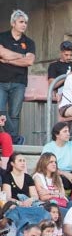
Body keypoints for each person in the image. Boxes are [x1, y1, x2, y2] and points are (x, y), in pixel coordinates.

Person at [0, 10, 36, 140]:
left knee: (14, 114)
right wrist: (22, 56)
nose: (24, 25)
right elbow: (1, 53)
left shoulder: (29, 42)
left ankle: (12, 143)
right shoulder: (2, 37)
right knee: (0, 111)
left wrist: (8, 59)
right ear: (13, 23)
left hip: (19, 83)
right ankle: (15, 138)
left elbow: (29, 61)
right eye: (21, 22)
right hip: (1, 81)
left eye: (25, 22)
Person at [43, 122, 72, 193]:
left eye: (68, 131)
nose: (68, 133)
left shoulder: (71, 145)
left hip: (70, 176)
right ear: (57, 135)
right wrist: (65, 174)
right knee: (57, 176)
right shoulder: (48, 147)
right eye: (65, 131)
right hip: (56, 175)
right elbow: (46, 166)